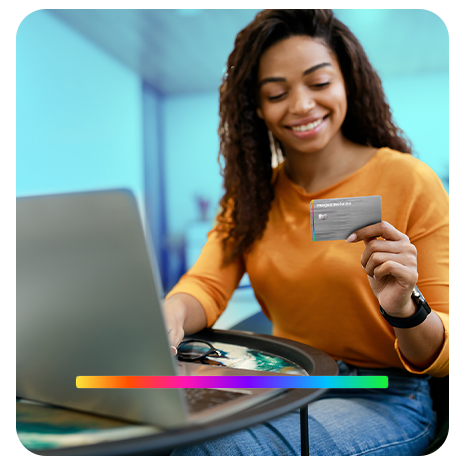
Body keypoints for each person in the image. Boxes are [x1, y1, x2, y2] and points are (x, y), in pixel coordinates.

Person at [163, 9, 449, 456]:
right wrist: (169, 315)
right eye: (277, 93)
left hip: (382, 395)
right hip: (289, 382)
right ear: (256, 107)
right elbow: (205, 284)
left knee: (212, 449)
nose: (300, 105)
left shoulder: (411, 181)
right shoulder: (254, 196)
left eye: (318, 83)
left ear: (347, 83)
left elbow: (446, 353)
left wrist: (404, 309)